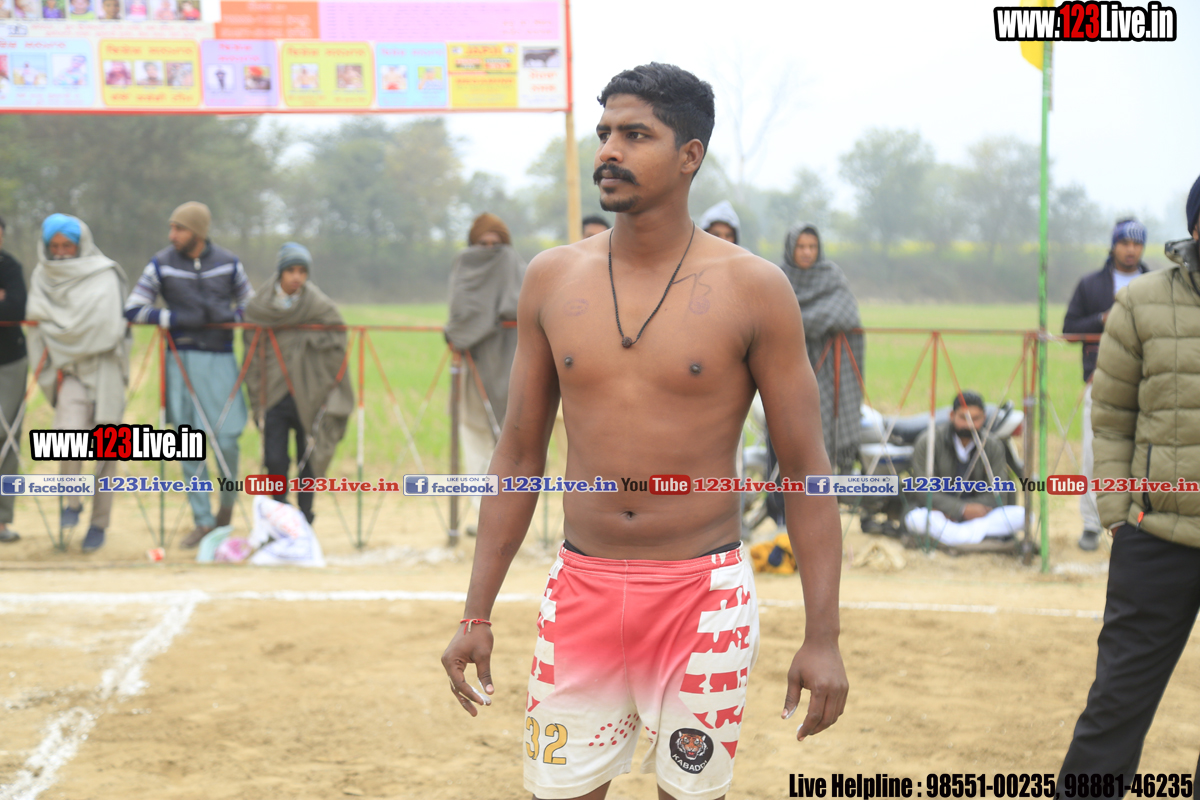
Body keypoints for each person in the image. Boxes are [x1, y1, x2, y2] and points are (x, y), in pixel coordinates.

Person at [440, 63, 847, 800]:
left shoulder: (755, 289)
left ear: (690, 155)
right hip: (582, 590)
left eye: (635, 135)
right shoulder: (551, 279)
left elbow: (806, 471)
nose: (608, 151)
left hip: (704, 598)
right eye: (604, 134)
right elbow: (519, 455)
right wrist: (477, 610)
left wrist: (823, 637)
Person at [1057, 175, 1200, 783]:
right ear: (1195, 225)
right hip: (1157, 534)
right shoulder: (1141, 301)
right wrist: (1117, 512)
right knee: (1116, 705)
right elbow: (1112, 417)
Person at [124, 201, 253, 548]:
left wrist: (228, 317)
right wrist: (174, 319)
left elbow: (252, 306)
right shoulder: (161, 263)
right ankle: (202, 520)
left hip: (221, 360)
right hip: (180, 359)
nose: (172, 235)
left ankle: (227, 505)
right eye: (172, 228)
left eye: (179, 228)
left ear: (197, 231)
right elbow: (133, 308)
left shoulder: (228, 263)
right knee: (188, 444)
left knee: (227, 439)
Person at [26, 214, 130, 554]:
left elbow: (108, 326)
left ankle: (99, 524)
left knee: (108, 449)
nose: (60, 252)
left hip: (105, 367)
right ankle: (72, 502)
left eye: (66, 245)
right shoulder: (42, 276)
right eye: (54, 246)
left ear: (80, 244)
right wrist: (64, 350)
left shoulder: (104, 272)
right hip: (70, 371)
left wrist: (66, 337)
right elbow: (38, 325)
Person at [243, 243, 353, 525]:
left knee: (309, 459)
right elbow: (251, 354)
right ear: (280, 272)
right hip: (273, 393)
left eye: (302, 271)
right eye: (291, 270)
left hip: (309, 394)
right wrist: (256, 397)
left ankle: (305, 519)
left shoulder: (317, 304)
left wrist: (308, 342)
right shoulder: (260, 306)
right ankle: (281, 519)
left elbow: (337, 337)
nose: (297, 277)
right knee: (275, 459)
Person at [764, 222, 864, 528]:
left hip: (828, 374)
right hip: (783, 373)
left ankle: (820, 513)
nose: (807, 252)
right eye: (801, 247)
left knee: (819, 443)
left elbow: (845, 314)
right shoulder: (776, 277)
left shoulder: (831, 276)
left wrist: (792, 320)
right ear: (790, 248)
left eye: (812, 247)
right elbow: (767, 317)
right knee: (783, 439)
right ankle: (781, 513)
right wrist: (795, 322)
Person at [1062, 218, 1150, 551]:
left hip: (1148, 383)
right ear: (1113, 245)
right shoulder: (1091, 285)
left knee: (1145, 454)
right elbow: (1070, 330)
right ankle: (1091, 522)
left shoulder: (1155, 282)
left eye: (1137, 243)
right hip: (1100, 382)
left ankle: (1140, 521)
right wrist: (1102, 318)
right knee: (1094, 453)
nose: (1131, 249)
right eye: (1125, 242)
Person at [444, 213, 524, 521]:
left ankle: (511, 514)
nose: (490, 250)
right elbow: (460, 317)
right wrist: (463, 332)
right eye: (482, 244)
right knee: (474, 435)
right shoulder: (464, 266)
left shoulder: (514, 265)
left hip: (511, 361)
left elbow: (518, 304)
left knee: (514, 439)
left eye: (496, 244)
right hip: (473, 365)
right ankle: (482, 516)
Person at [902, 390, 1024, 546]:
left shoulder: (993, 445)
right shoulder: (929, 442)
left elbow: (998, 491)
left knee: (1024, 516)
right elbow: (923, 490)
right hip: (941, 515)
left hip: (979, 517)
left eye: (975, 418)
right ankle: (972, 538)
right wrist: (960, 509)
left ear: (984, 418)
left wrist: (971, 510)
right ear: (952, 415)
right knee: (916, 519)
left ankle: (954, 538)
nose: (969, 424)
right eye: (963, 418)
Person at [0, 215, 27, 545]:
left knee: (7, 436)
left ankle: (2, 519)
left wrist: (6, 302)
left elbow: (16, 309)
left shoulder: (10, 266)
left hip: (9, 362)